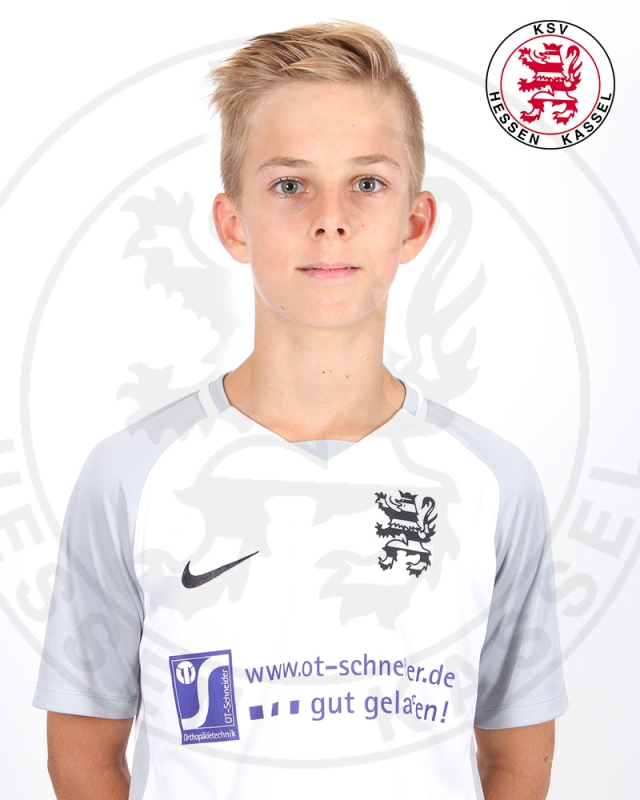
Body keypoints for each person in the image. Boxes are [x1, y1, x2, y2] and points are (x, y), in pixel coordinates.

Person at [34, 20, 567, 800]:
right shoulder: (133, 475)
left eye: (367, 183)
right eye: (290, 185)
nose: (330, 218)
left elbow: (518, 762)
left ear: (415, 223)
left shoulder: (494, 482)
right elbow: (82, 758)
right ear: (233, 223)